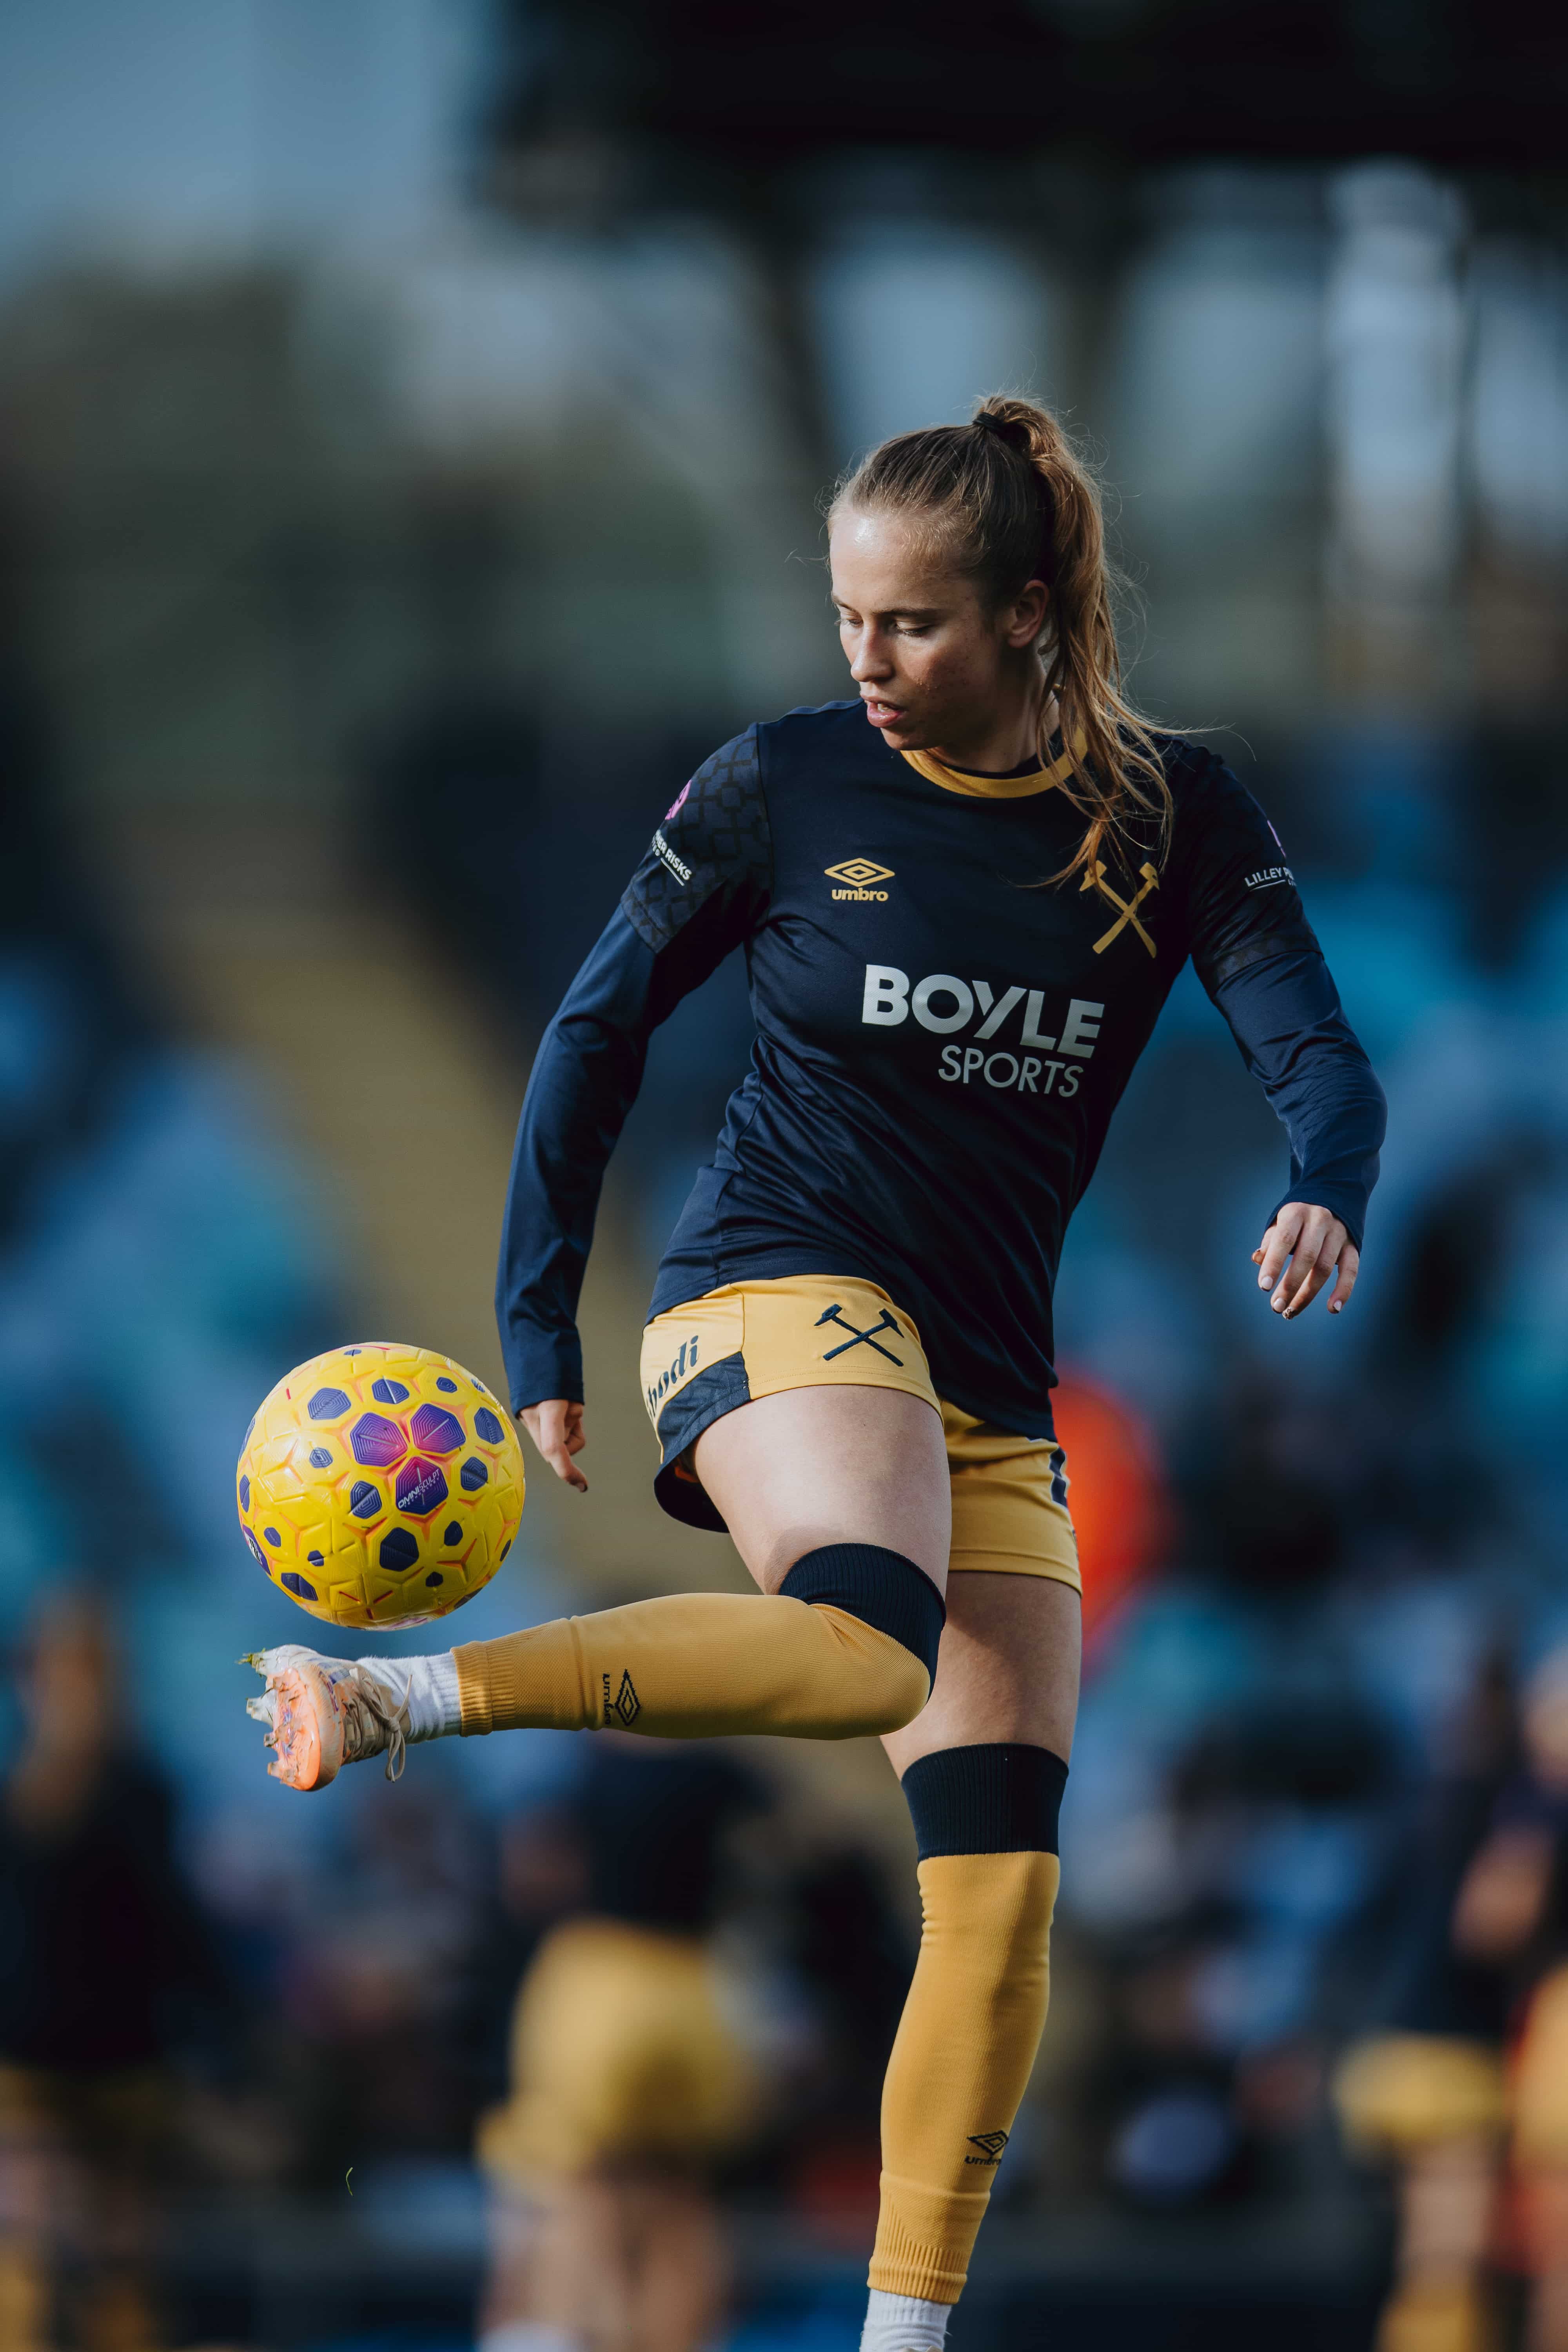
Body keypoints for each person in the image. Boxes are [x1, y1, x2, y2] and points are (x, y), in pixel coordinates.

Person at [246, 396, 1385, 2352]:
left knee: (999, 1898)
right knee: (866, 1641)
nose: (862, 661)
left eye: (913, 625)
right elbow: (592, 1036)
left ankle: (901, 2337)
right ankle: (390, 1689)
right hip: (770, 1289)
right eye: (847, 618)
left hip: (978, 1378)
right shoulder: (779, 784)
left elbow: (1319, 1053)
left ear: (1030, 617)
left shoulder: (1176, 817)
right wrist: (539, 1324)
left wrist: (1324, 1183)